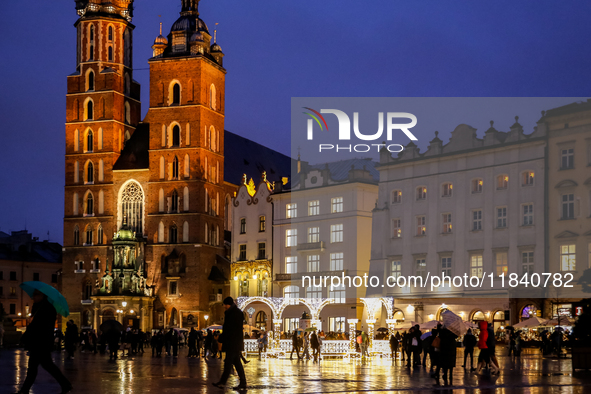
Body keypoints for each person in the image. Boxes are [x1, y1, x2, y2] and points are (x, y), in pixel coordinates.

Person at [16, 290, 72, 394]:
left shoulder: (46, 308)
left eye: (36, 295)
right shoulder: (39, 307)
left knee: (36, 367)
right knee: (44, 366)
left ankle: (24, 391)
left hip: (41, 341)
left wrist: (31, 326)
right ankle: (65, 384)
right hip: (40, 342)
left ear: (42, 296)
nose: (34, 297)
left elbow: (40, 326)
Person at [212, 297, 247, 390]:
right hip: (235, 342)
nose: (224, 306)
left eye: (224, 305)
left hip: (232, 342)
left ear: (228, 304)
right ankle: (243, 382)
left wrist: (221, 338)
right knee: (237, 363)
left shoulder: (232, 314)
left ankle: (222, 382)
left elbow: (229, 329)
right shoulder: (237, 313)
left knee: (228, 363)